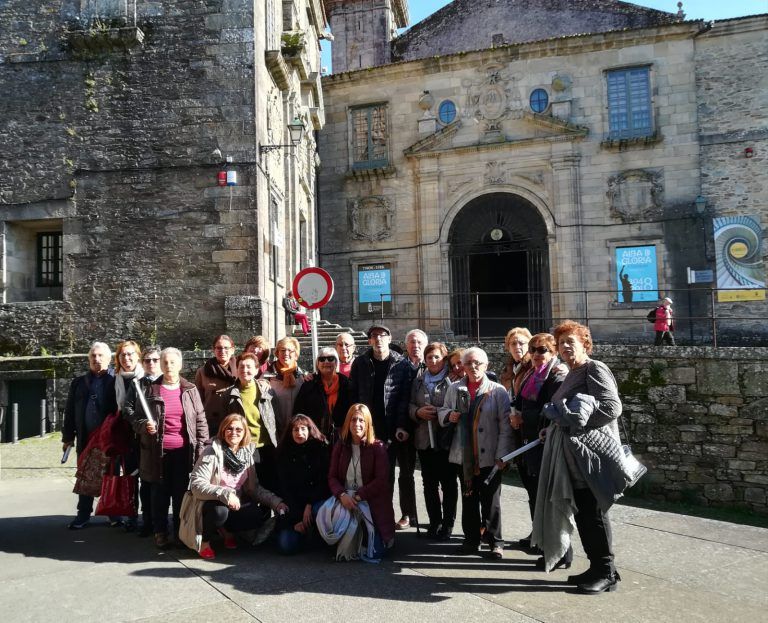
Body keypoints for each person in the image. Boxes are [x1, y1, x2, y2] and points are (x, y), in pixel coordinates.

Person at [532, 320, 625, 594]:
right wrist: (551, 429)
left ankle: (606, 571)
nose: (566, 347)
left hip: (590, 456)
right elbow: (565, 412)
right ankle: (598, 567)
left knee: (594, 513)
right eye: (561, 343)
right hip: (572, 457)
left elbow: (612, 407)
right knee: (584, 513)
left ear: (585, 343)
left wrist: (573, 423)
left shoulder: (594, 368)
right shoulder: (573, 372)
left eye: (571, 342)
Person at [124, 347, 209, 549]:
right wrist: (145, 425)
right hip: (156, 452)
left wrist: (201, 449)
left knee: (181, 495)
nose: (168, 366)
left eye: (172, 362)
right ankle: (160, 532)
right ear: (160, 365)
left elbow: (200, 421)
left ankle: (180, 532)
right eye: (165, 362)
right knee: (159, 495)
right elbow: (135, 418)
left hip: (184, 453)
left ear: (180, 364)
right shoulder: (149, 389)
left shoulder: (190, 390)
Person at [439, 347, 512, 560]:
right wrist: (448, 415)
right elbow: (443, 410)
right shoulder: (454, 389)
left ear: (486, 365)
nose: (473, 367)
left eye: (477, 363)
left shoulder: (497, 391)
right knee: (469, 498)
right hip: (464, 456)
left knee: (491, 501)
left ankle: (495, 542)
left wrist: (502, 455)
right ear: (463, 366)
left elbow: (505, 426)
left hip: (490, 455)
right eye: (468, 363)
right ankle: (471, 540)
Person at [187, 414, 287, 559]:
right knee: (219, 512)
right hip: (210, 502)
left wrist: (276, 503)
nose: (234, 433)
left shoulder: (246, 454)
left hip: (235, 503)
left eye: (239, 430)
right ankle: (205, 541)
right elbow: (196, 484)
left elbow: (254, 488)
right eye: (230, 429)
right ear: (223, 430)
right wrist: (225, 493)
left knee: (255, 514)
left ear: (245, 433)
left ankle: (227, 530)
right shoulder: (212, 451)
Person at [349, 324, 415, 529]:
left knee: (400, 474)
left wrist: (401, 425)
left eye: (382, 335)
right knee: (374, 476)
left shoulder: (401, 364)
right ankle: (376, 517)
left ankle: (406, 515)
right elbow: (354, 394)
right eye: (374, 336)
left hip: (394, 427)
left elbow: (405, 397)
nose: (378, 339)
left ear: (389, 338)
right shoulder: (360, 362)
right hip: (369, 429)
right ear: (369, 340)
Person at [514, 333, 569, 567]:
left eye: (543, 350)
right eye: (534, 349)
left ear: (554, 351)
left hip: (543, 443)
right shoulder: (532, 373)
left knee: (548, 499)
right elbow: (519, 400)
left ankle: (559, 554)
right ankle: (540, 541)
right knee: (534, 495)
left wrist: (521, 416)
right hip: (527, 441)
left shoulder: (556, 376)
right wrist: (513, 411)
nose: (536, 354)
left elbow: (551, 410)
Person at [326, 404, 395, 557]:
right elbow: (332, 477)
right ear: (347, 423)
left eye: (361, 421)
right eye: (353, 420)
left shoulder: (378, 447)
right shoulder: (340, 445)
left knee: (376, 552)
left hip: (369, 502)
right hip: (345, 499)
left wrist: (357, 497)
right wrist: (342, 495)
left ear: (367, 424)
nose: (357, 424)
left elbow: (381, 480)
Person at [62, 341, 118, 529]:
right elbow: (70, 411)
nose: (97, 359)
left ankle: (113, 512)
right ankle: (83, 514)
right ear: (89, 360)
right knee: (85, 475)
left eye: (101, 355)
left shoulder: (116, 380)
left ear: (109, 358)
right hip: (86, 438)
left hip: (110, 438)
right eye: (93, 356)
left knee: (111, 475)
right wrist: (67, 437)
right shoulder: (79, 383)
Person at [409, 342, 457, 540]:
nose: (433, 361)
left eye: (437, 357)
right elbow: (410, 404)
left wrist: (439, 413)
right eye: (429, 357)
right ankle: (434, 521)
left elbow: (456, 407)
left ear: (444, 358)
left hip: (446, 439)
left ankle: (448, 523)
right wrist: (417, 412)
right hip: (424, 439)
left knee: (448, 483)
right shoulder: (418, 381)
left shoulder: (452, 380)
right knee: (429, 483)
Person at [222, 352, 280, 495]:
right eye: (241, 367)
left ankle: (268, 516)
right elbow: (224, 423)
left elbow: (277, 418)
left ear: (256, 369)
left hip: (266, 446)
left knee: (269, 484)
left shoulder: (267, 392)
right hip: (243, 447)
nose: (245, 370)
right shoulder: (229, 395)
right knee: (248, 487)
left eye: (249, 367)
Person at [275, 415, 331, 554]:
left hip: (315, 501)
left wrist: (310, 504)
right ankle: (302, 531)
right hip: (293, 507)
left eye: (303, 429)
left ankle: (317, 533)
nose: (299, 433)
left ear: (309, 430)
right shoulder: (284, 453)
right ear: (290, 432)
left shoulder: (321, 449)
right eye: (295, 430)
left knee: (319, 509)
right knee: (286, 546)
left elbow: (324, 483)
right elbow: (285, 489)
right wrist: (296, 519)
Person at [500, 327, 533, 548]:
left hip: (530, 434)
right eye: (513, 344)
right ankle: (537, 532)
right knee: (530, 486)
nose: (517, 347)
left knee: (536, 487)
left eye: (522, 343)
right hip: (517, 434)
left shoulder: (533, 370)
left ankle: (541, 535)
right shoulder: (511, 369)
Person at [124, 346, 161, 536]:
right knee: (146, 485)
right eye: (147, 360)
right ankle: (147, 523)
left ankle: (162, 524)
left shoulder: (169, 381)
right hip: (145, 442)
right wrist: (142, 425)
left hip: (165, 443)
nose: (151, 363)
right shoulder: (137, 384)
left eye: (155, 360)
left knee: (163, 485)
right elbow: (128, 409)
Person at [113, 339, 145, 531]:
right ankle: (132, 515)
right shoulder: (115, 379)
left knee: (148, 477)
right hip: (125, 435)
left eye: (130, 354)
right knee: (130, 477)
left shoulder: (147, 377)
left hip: (143, 433)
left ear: (138, 356)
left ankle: (149, 516)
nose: (126, 358)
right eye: (123, 355)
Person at [293, 347, 352, 443]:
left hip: (341, 437)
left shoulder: (346, 384)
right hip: (315, 437)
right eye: (322, 359)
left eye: (331, 359)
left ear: (336, 362)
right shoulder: (309, 384)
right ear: (317, 364)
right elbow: (299, 412)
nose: (326, 362)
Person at [195, 335, 238, 434]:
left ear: (232, 350)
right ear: (213, 350)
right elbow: (198, 401)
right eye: (218, 348)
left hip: (234, 421)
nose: (222, 351)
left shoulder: (240, 369)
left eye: (226, 348)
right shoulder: (203, 372)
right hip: (211, 422)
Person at [267, 336, 305, 440]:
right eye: (282, 350)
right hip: (274, 431)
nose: (286, 353)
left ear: (296, 355)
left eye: (290, 350)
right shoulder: (267, 376)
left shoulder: (303, 377)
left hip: (297, 432)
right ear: (277, 353)